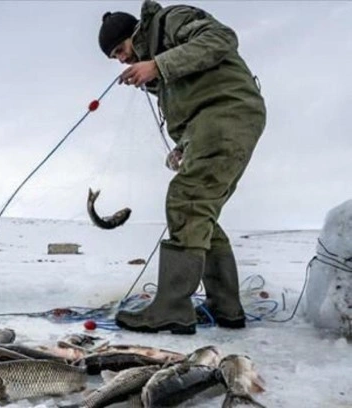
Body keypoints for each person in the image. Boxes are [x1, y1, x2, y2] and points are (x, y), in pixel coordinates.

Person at [98, 0, 266, 334]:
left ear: (134, 32)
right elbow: (192, 104)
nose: (121, 59)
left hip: (227, 111)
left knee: (186, 200)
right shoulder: (156, 60)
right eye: (115, 57)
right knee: (200, 213)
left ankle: (171, 309)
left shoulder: (171, 21)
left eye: (120, 49)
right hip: (213, 122)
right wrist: (182, 146)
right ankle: (225, 307)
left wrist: (157, 65)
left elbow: (220, 39)